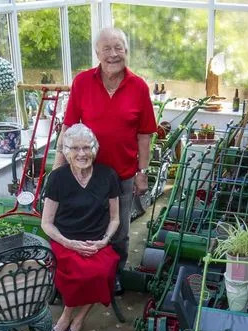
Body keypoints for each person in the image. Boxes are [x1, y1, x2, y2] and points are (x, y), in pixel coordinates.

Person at [54, 27, 157, 295]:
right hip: (84, 173)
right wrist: (58, 167)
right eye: (107, 49)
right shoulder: (82, 82)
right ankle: (81, 273)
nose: (113, 54)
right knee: (83, 225)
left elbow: (144, 136)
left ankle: (116, 273)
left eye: (118, 48)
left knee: (119, 230)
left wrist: (142, 172)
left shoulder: (138, 87)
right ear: (97, 53)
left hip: (122, 175)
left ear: (126, 51)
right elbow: (68, 127)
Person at [42, 124, 120, 331]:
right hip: (65, 241)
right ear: (66, 151)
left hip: (97, 241)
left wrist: (104, 240)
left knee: (101, 271)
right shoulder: (57, 178)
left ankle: (76, 320)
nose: (82, 153)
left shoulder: (108, 175)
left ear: (95, 149)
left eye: (87, 147)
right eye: (75, 148)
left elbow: (115, 218)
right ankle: (67, 316)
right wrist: (69, 243)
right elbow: (46, 223)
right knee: (77, 275)